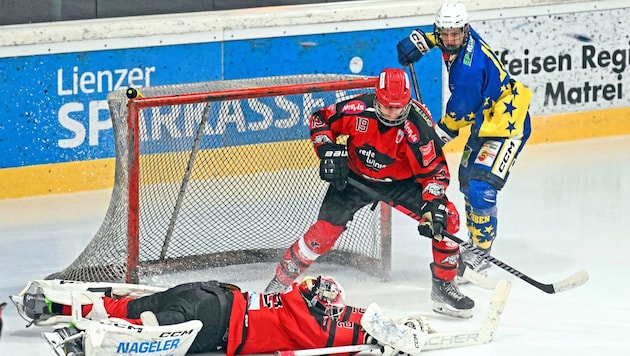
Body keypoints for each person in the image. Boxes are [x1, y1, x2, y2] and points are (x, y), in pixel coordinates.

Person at [264, 67, 474, 318]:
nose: (393, 113)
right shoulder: (358, 109)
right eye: (387, 107)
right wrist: (327, 149)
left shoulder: (418, 126)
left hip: (401, 183)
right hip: (354, 179)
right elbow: (320, 120)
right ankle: (277, 285)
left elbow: (434, 172)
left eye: (399, 107)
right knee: (322, 235)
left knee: (447, 218)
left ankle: (443, 285)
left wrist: (434, 205)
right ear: (377, 98)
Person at [396, 2, 532, 281]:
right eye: (444, 34)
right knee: (467, 181)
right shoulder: (461, 37)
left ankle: (481, 253)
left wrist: (433, 138)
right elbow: (445, 38)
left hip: (507, 127)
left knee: (481, 188)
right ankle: (475, 241)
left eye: (455, 34)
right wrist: (425, 41)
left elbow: (458, 116)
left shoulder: (468, 72)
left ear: (465, 30)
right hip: (487, 121)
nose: (449, 40)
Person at [21, 276, 430, 355]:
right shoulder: (311, 326)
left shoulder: (292, 298)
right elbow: (348, 334)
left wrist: (381, 325)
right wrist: (391, 336)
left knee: (126, 306)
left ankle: (56, 303)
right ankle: (84, 338)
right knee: (140, 330)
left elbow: (354, 318)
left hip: (207, 292)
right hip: (214, 325)